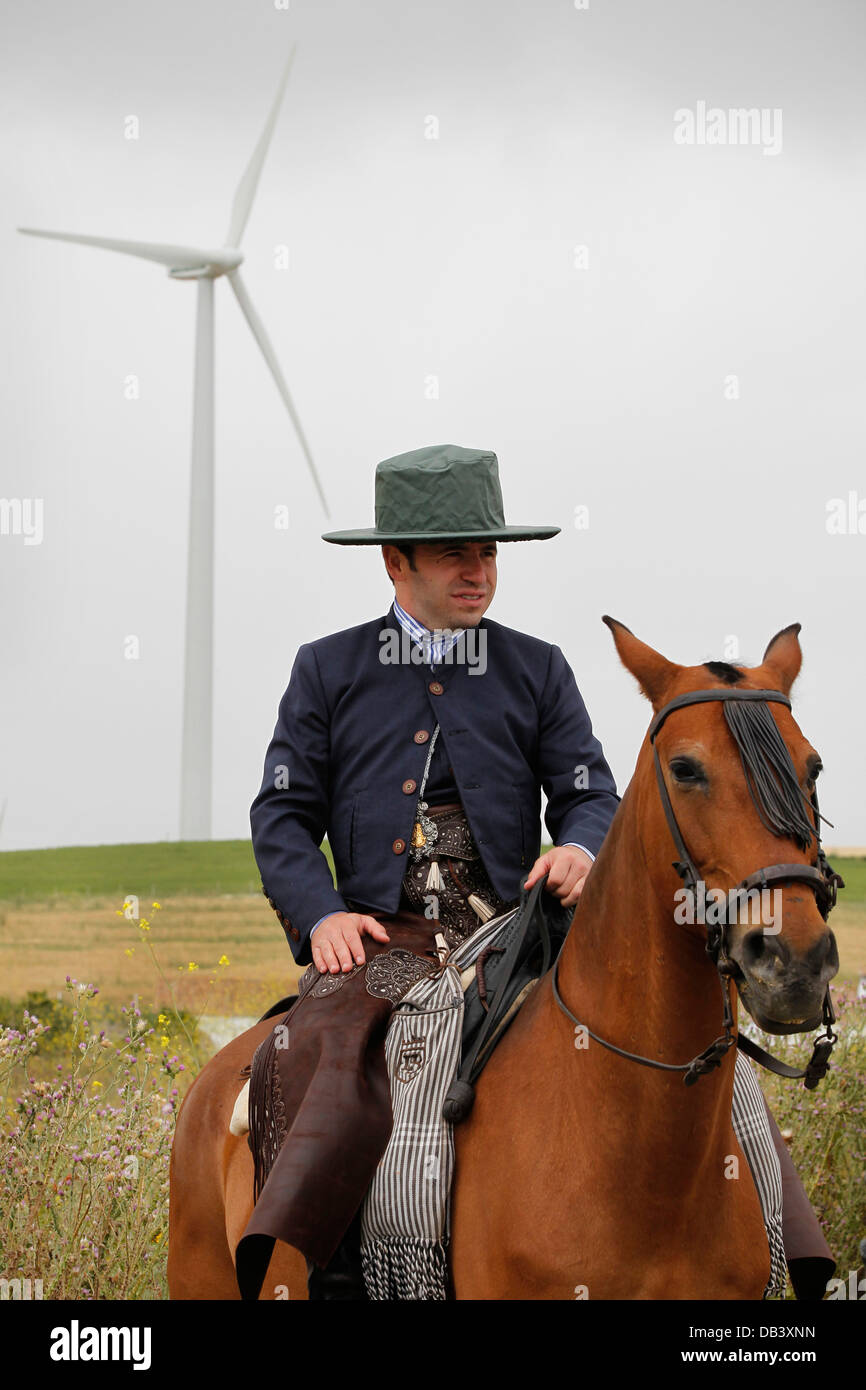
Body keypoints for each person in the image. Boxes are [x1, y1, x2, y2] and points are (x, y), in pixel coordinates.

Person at [247, 443, 620, 1298]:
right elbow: (282, 814)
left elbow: (588, 789)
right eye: (455, 552)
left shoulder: (539, 666)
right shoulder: (327, 668)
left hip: (520, 927)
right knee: (316, 1060)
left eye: (487, 551)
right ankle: (337, 1277)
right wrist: (321, 918)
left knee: (678, 1029)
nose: (478, 570)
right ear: (395, 561)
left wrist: (580, 846)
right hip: (384, 936)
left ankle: (755, 1264)